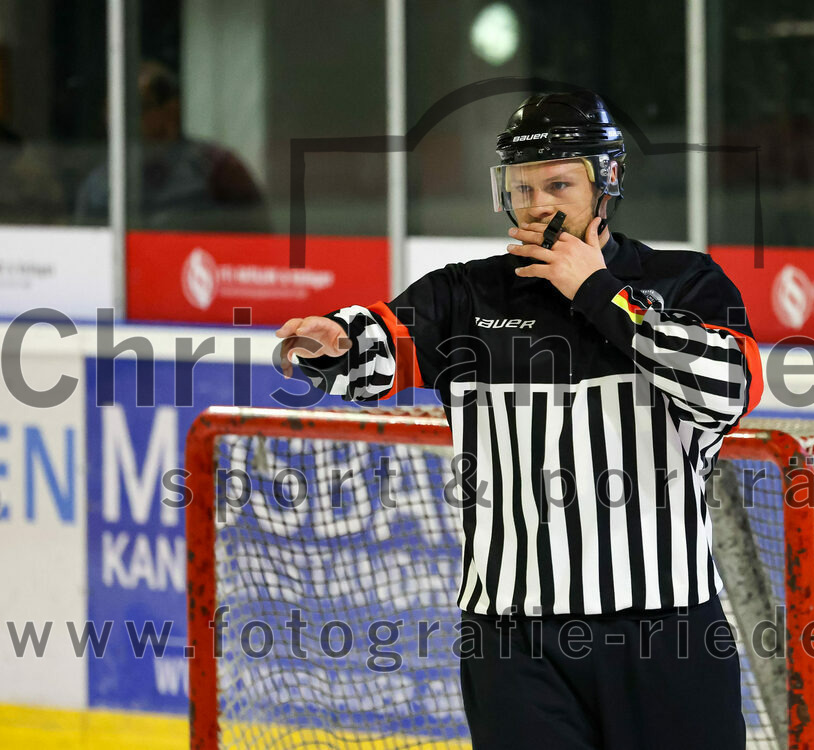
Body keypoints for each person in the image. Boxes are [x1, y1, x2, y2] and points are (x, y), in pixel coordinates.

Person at [276, 91, 762, 749]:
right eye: (522, 185)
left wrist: (599, 294)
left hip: (666, 634)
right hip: (513, 641)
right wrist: (333, 340)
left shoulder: (682, 283)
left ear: (606, 180)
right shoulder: (467, 294)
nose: (537, 204)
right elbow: (379, 345)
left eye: (559, 183)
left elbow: (730, 384)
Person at [75, 60, 270, 232]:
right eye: (111, 109)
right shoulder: (99, 183)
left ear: (170, 110)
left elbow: (259, 247)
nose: (118, 121)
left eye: (134, 109)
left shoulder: (217, 168)